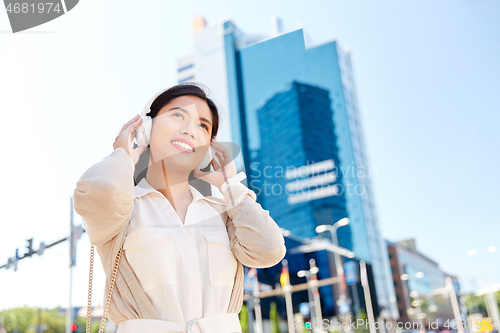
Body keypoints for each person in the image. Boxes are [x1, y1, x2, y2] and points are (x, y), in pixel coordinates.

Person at [73, 82, 287, 333]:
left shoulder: (224, 211)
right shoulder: (125, 206)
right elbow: (99, 193)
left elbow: (269, 250)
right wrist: (123, 152)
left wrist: (230, 185)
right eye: (178, 115)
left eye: (203, 126)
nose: (190, 130)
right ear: (146, 127)